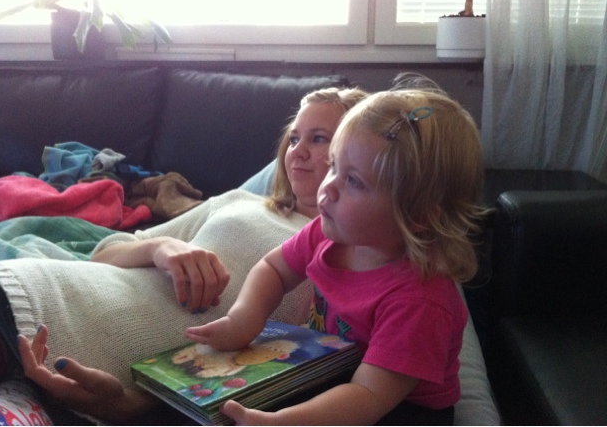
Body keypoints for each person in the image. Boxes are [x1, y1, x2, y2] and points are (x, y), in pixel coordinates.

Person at [0, 86, 368, 424]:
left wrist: (129, 404)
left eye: (319, 139)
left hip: (82, 398)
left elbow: (260, 369)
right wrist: (161, 247)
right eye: (294, 139)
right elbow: (102, 256)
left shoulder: (355, 260)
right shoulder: (240, 203)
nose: (298, 152)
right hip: (31, 300)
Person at [182, 87, 490, 425]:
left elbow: (367, 396)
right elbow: (274, 269)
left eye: (353, 181)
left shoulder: (420, 300)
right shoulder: (328, 234)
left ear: (417, 215)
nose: (327, 187)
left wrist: (283, 422)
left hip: (395, 408)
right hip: (333, 369)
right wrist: (244, 320)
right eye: (333, 166)